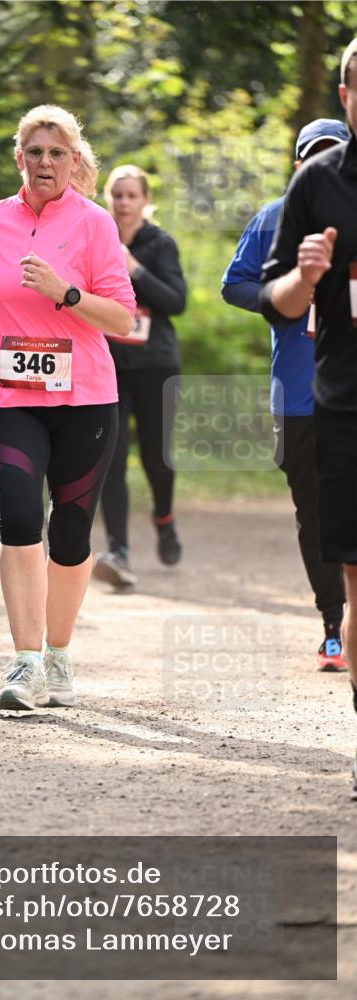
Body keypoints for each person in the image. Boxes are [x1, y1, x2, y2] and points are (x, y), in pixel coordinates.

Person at [0, 105, 136, 711]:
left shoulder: (93, 225)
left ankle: (58, 656)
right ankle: (25, 663)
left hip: (84, 398)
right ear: (19, 158)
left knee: (69, 533)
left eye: (56, 153)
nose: (44, 163)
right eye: (34, 152)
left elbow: (123, 315)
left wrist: (65, 292)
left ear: (73, 161)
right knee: (18, 517)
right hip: (9, 395)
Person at [259, 38, 357, 797]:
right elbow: (274, 296)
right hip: (342, 405)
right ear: (346, 94)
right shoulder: (316, 185)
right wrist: (305, 275)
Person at [222, 119, 349, 672]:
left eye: (333, 153)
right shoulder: (275, 217)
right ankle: (332, 628)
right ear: (298, 165)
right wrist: (286, 296)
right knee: (316, 516)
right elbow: (235, 283)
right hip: (298, 395)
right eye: (312, 156)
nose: (322, 163)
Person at [93, 165, 186, 591]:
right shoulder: (96, 237)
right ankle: (119, 552)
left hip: (155, 365)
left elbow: (177, 301)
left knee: (155, 457)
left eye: (131, 195)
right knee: (110, 458)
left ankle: (164, 519)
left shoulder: (160, 243)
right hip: (108, 364)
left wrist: (136, 270)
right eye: (117, 195)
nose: (123, 203)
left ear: (145, 200)